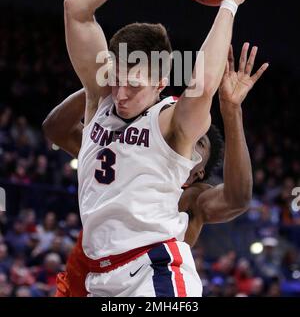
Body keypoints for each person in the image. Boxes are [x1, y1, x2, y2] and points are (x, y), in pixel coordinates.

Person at [62, 0, 261, 296]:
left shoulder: (172, 122)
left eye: (135, 85)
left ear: (161, 82)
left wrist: (230, 4)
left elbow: (203, 80)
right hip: (98, 278)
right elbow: (77, 10)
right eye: (117, 79)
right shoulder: (101, 98)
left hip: (154, 273)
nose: (121, 93)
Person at [43, 44, 268, 296]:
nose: (190, 137)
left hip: (150, 279)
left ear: (198, 173)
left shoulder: (193, 199)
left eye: (200, 142)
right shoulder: (128, 155)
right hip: (96, 276)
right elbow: (56, 129)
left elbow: (238, 197)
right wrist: (101, 86)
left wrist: (231, 110)